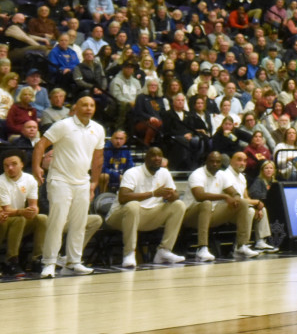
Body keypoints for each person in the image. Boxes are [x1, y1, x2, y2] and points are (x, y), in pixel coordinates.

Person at [32, 95, 105, 279]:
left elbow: (98, 158)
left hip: (82, 181)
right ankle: (49, 262)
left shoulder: (98, 129)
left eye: (91, 105)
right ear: (76, 108)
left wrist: (94, 182)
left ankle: (74, 262)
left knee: (79, 222)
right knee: (57, 221)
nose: (88, 108)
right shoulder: (63, 125)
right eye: (84, 104)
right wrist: (36, 167)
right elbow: (41, 144)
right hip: (60, 180)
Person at [104, 146, 187, 268]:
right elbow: (123, 198)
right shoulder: (132, 172)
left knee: (179, 205)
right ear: (145, 158)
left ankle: (164, 251)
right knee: (133, 205)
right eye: (153, 155)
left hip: (147, 216)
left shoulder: (164, 172)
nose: (157, 158)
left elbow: (175, 195)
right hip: (119, 217)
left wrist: (172, 195)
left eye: (160, 155)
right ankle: (129, 253)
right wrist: (153, 193)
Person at [183, 151, 257, 261]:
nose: (214, 164)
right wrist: (224, 196)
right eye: (212, 161)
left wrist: (236, 197)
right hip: (191, 215)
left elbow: (233, 191)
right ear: (206, 162)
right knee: (206, 203)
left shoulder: (221, 175)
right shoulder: (197, 174)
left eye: (217, 162)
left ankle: (241, 246)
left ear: (221, 163)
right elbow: (199, 196)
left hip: (213, 213)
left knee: (243, 203)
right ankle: (202, 248)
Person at [0, 149, 44, 275]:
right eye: (6, 166)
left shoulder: (30, 179)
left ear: (22, 164)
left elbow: (34, 206)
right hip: (5, 221)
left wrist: (32, 211)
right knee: (19, 219)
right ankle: (11, 261)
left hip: (19, 218)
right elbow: (6, 210)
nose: (10, 168)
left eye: (14, 164)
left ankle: (37, 259)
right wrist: (22, 211)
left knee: (42, 219)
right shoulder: (1, 181)